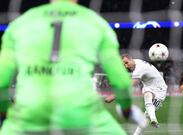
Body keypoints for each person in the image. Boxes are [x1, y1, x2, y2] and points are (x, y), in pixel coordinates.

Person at [0, 0, 145, 134]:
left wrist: (4, 115)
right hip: (81, 113)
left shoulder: (21, 23)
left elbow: (2, 81)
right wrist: (127, 110)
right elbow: (121, 81)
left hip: (29, 113)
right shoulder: (95, 23)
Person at [105, 54, 168, 135]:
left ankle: (153, 118)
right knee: (146, 96)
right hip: (150, 87)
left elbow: (130, 85)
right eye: (124, 65)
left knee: (146, 95)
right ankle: (153, 119)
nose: (126, 66)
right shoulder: (137, 63)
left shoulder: (139, 67)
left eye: (126, 63)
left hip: (160, 91)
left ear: (131, 59)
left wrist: (113, 96)